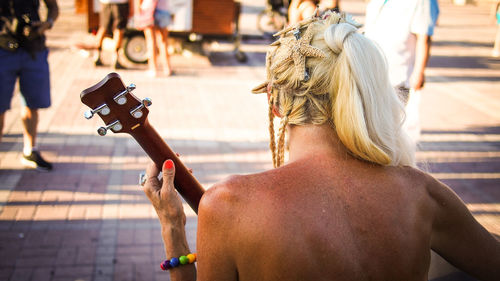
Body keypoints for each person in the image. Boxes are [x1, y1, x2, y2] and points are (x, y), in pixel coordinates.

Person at [141, 12, 500, 281]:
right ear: (360, 90)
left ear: (275, 103)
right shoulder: (421, 194)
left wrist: (173, 227)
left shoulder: (229, 205)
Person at [364, 0, 439, 144]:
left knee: (389, 128)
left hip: (397, 75)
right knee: (370, 125)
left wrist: (419, 72)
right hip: (370, 70)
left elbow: (424, 38)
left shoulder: (423, 2)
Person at [0, 0, 58, 171]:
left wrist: (46, 24)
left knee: (33, 104)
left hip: (33, 48)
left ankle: (29, 150)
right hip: (3, 48)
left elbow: (53, 6)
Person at [140, 0, 173, 77]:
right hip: (163, 9)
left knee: (151, 41)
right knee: (163, 41)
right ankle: (167, 68)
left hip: (148, 9)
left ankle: (153, 69)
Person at [93, 0, 129, 69]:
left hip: (106, 2)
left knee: (103, 27)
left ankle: (97, 55)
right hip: (120, 3)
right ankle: (116, 59)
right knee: (119, 29)